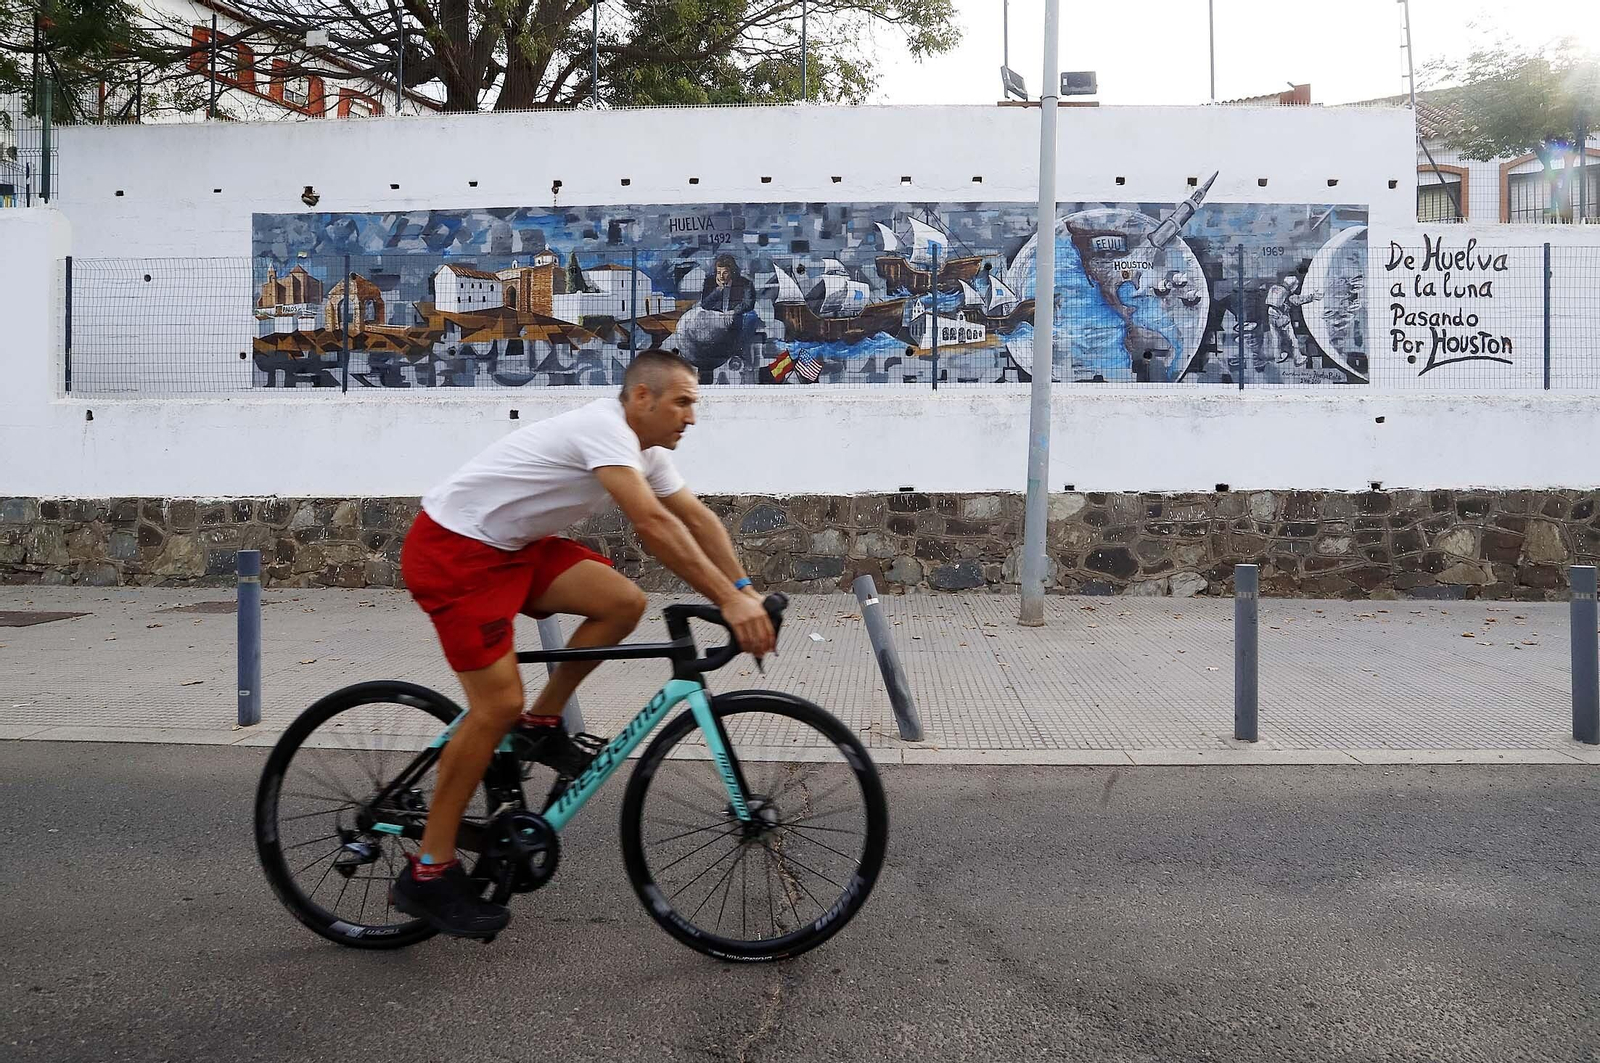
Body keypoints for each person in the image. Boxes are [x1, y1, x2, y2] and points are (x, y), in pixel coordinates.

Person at [390, 350, 776, 938]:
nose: (691, 418)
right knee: (494, 705)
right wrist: (727, 601)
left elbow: (695, 518)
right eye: (683, 402)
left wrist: (746, 589)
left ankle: (541, 724)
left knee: (622, 603)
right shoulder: (604, 428)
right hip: (455, 550)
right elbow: (653, 524)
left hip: (514, 548)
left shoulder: (645, 450)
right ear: (642, 398)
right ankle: (429, 871)